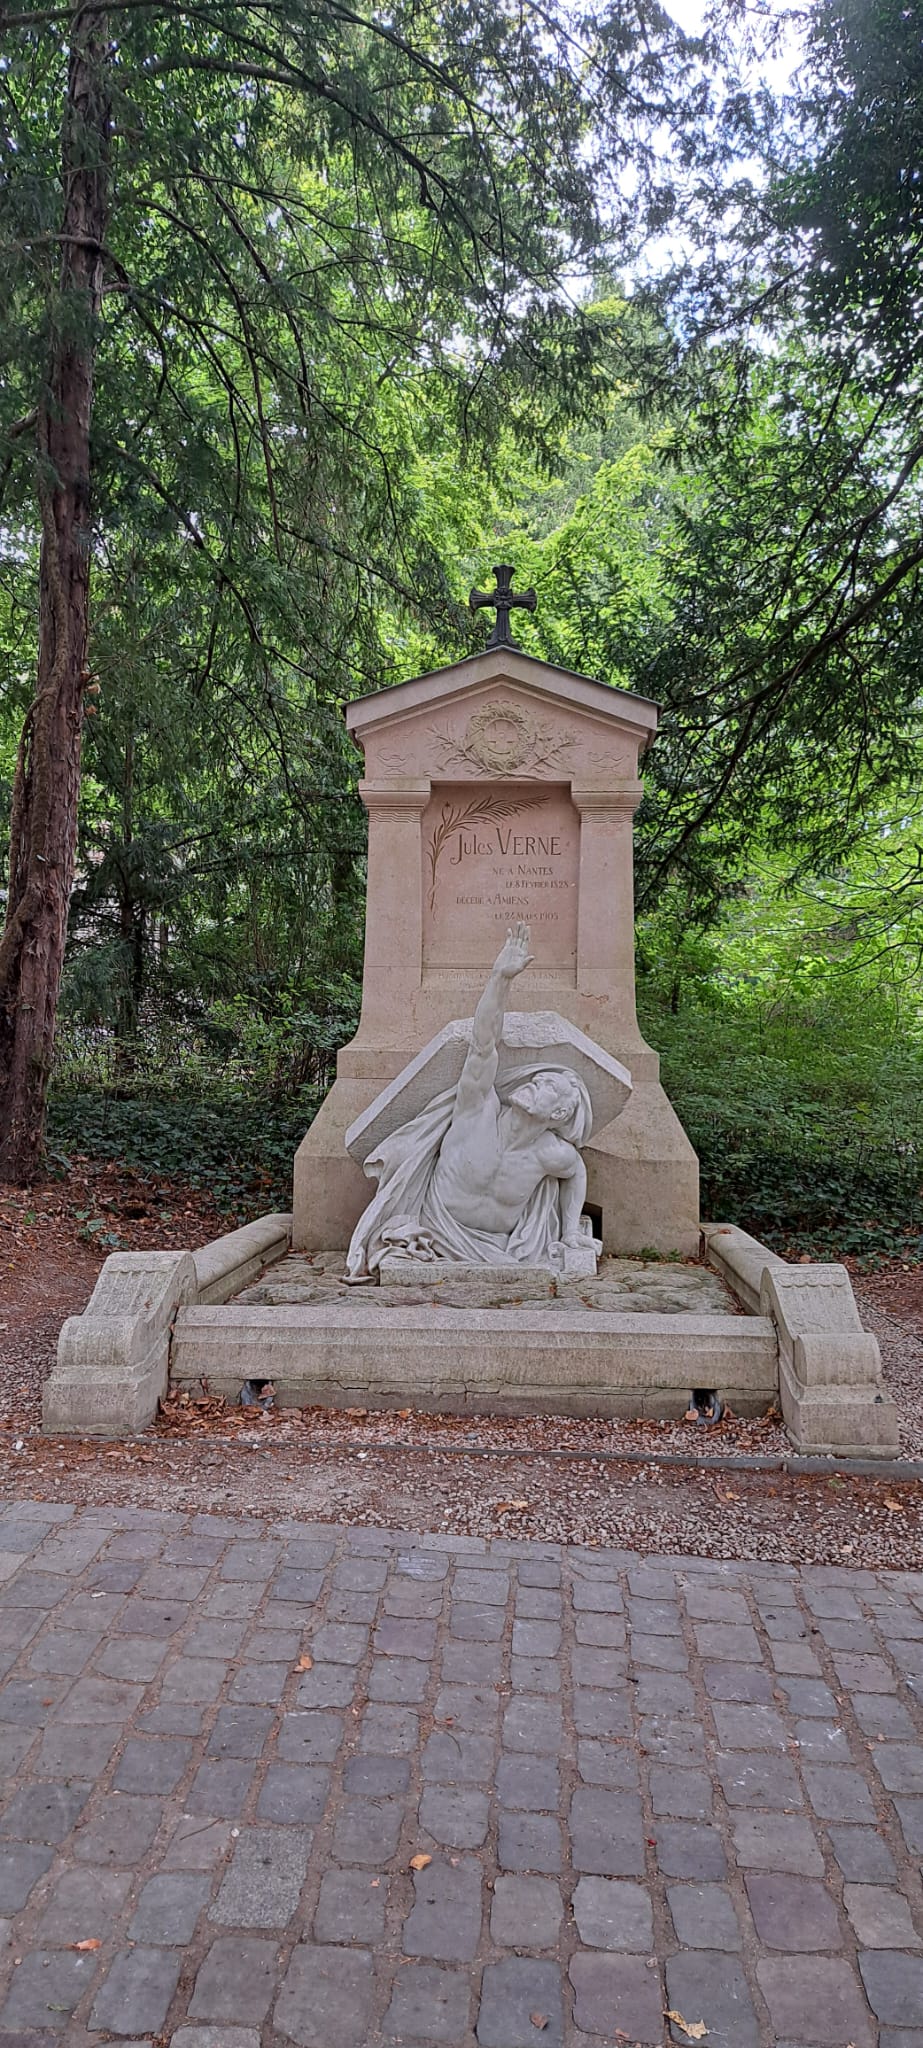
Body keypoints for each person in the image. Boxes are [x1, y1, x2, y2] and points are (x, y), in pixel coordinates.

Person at [345, 922, 594, 1278]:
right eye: (538, 1078)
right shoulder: (478, 1109)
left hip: (499, 1247)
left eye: (548, 1086)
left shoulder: (551, 1153)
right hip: (437, 1232)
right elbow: (482, 1045)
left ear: (560, 1112)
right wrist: (500, 978)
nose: (534, 1082)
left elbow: (576, 1172)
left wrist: (570, 1231)